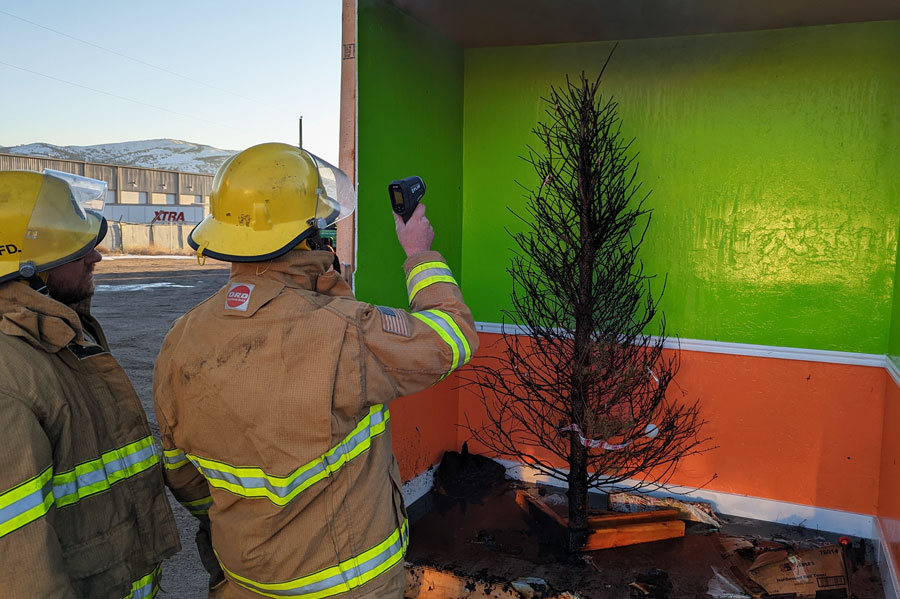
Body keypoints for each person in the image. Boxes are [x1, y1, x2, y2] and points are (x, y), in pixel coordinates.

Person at [153, 142, 479, 598]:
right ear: (308, 236)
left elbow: (182, 472)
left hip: (244, 581)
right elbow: (453, 338)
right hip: (347, 586)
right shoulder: (344, 334)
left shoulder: (181, 339)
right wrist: (419, 253)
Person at [0, 169, 180, 597]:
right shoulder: (11, 375)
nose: (94, 256)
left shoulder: (52, 333)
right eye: (73, 246)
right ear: (29, 266)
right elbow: (19, 568)